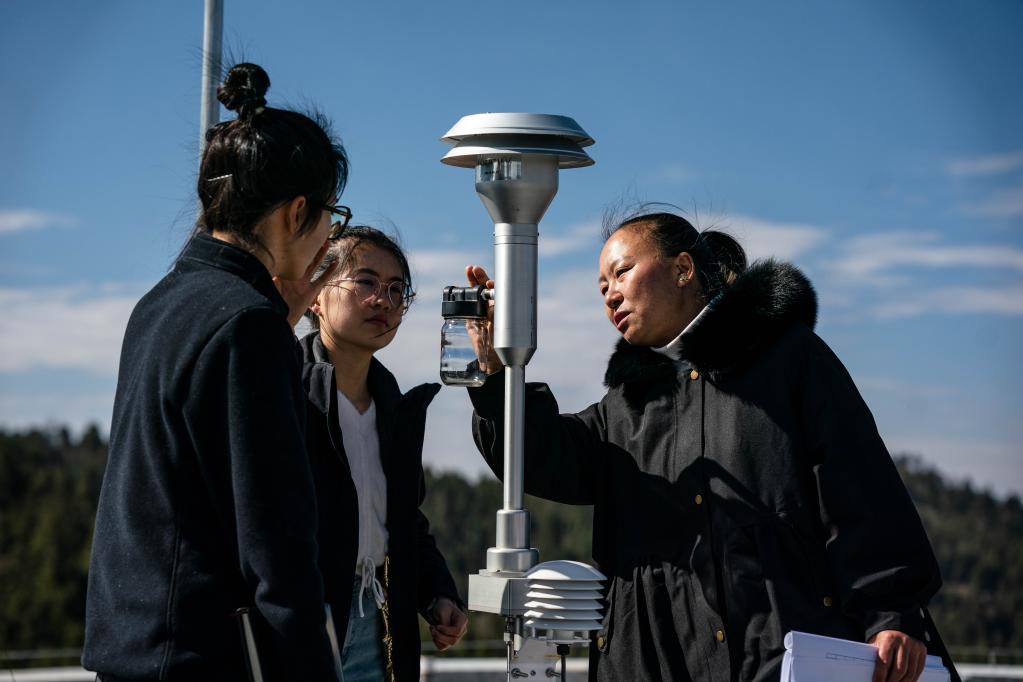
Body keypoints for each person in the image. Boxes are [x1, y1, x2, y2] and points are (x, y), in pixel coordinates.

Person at [464, 210, 960, 682]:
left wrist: (890, 612)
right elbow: (542, 455)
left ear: (683, 269)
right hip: (652, 658)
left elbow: (857, 480)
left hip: (780, 653)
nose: (610, 295)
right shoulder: (625, 405)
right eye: (601, 287)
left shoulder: (786, 359)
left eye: (621, 272)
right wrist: (494, 371)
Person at [83, 63, 350, 681]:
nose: (329, 236)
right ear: (297, 212)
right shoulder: (246, 325)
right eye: (331, 215)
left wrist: (273, 319)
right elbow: (276, 540)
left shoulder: (161, 302)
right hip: (203, 658)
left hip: (136, 646)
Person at [302, 226, 468, 682]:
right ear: (316, 295)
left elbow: (403, 521)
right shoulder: (284, 392)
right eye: (366, 282)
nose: (384, 300)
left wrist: (437, 594)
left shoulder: (395, 408)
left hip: (379, 623)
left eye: (397, 290)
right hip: (304, 623)